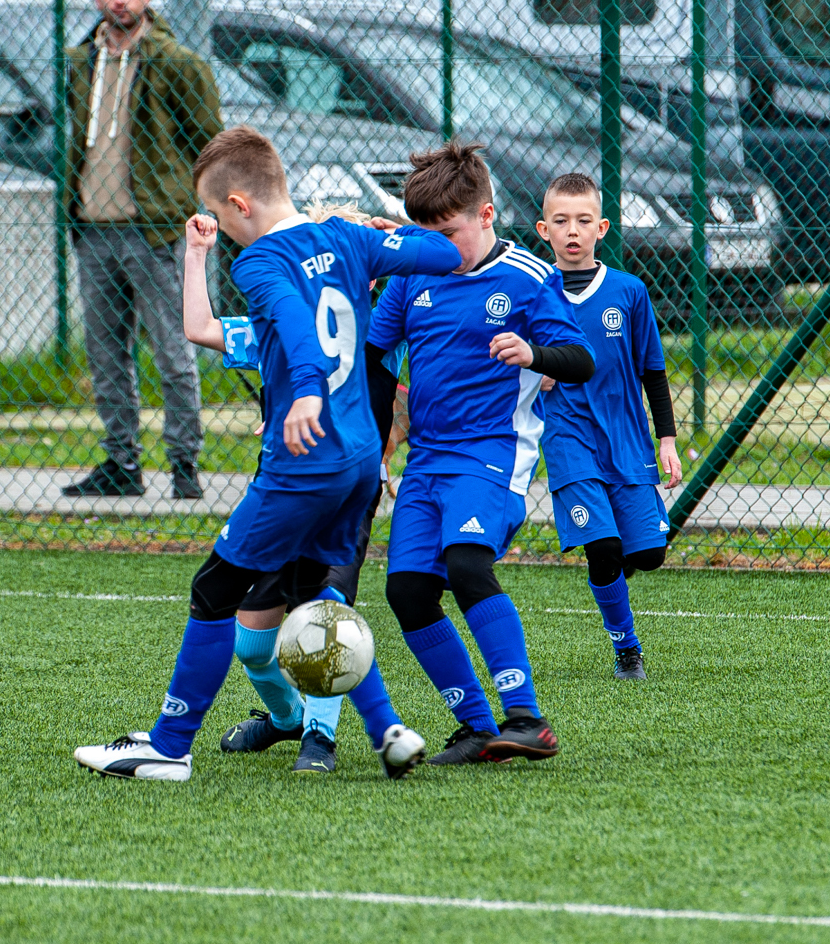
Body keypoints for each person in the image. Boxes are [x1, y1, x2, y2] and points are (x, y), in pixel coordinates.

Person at [72, 128, 463, 783]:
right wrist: (387, 232)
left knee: (213, 589)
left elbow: (293, 318)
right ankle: (387, 729)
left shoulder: (259, 262)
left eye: (217, 215)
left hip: (304, 461)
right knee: (315, 594)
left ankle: (169, 745)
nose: (221, 228)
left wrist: (305, 392)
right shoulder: (346, 238)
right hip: (360, 458)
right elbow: (444, 253)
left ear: (239, 204)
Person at [368, 143, 596, 767]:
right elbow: (375, 359)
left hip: (492, 453)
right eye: (426, 234)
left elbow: (581, 359)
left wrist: (534, 354)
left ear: (486, 214)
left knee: (467, 564)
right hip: (425, 461)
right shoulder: (412, 273)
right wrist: (373, 446)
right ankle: (474, 728)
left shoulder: (528, 277)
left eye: (448, 233)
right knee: (407, 592)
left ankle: (526, 719)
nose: (437, 247)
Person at [179, 203, 391, 772]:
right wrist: (196, 254)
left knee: (323, 613)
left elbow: (419, 391)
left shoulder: (385, 324)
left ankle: (320, 738)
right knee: (251, 641)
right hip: (285, 485)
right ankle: (287, 718)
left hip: (345, 489)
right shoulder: (282, 323)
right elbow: (201, 329)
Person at [59, 0, 224, 501]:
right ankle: (122, 462)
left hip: (153, 229)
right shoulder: (81, 60)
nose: (120, 0)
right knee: (106, 354)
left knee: (173, 350)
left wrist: (199, 207)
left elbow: (210, 142)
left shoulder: (176, 63)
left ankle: (184, 463)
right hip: (93, 229)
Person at [535, 172, 683, 680]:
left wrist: (667, 440)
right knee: (603, 548)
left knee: (650, 554)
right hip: (568, 437)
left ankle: (614, 572)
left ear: (602, 228)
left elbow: (653, 370)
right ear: (544, 230)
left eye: (583, 221)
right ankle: (627, 649)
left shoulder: (629, 290)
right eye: (561, 221)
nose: (572, 231)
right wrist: (535, 374)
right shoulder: (533, 293)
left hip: (626, 439)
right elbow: (506, 359)